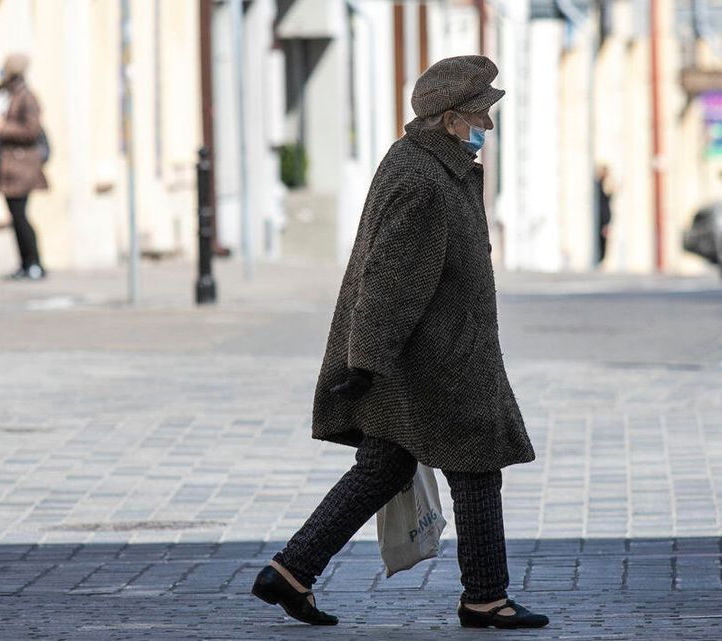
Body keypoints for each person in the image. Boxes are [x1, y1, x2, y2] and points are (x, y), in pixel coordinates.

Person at [251, 56, 549, 630]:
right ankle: (486, 597)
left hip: (428, 354)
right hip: (433, 361)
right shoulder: (423, 178)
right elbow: (390, 278)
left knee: (383, 468)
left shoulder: (434, 165)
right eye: (481, 111)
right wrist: (366, 361)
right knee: (478, 463)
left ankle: (290, 573)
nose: (489, 121)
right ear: (452, 119)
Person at [0, 53, 49, 281]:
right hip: (8, 167)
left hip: (22, 167)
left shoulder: (26, 97)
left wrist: (2, 128)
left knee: (20, 215)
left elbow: (31, 130)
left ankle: (33, 262)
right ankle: (26, 263)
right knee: (16, 216)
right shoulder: (7, 95)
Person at [596, 165, 613, 264]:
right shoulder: (597, 185)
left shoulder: (606, 185)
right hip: (600, 217)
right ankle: (600, 259)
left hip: (604, 217)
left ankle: (602, 260)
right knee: (600, 240)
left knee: (603, 240)